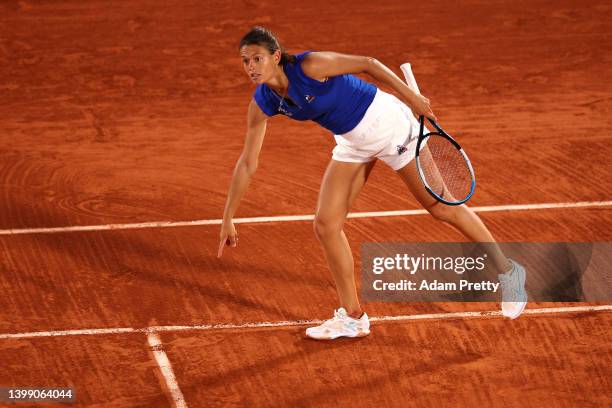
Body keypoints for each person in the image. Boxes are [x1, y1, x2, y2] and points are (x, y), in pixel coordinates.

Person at [218, 26, 527, 340]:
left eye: (257, 58)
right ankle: (353, 317)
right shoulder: (263, 102)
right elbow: (247, 162)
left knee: (443, 207)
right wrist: (229, 216)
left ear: (276, 56)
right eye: (245, 61)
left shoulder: (311, 66)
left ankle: (509, 272)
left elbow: (369, 63)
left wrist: (412, 98)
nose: (251, 67)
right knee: (325, 225)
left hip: (390, 127)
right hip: (353, 142)